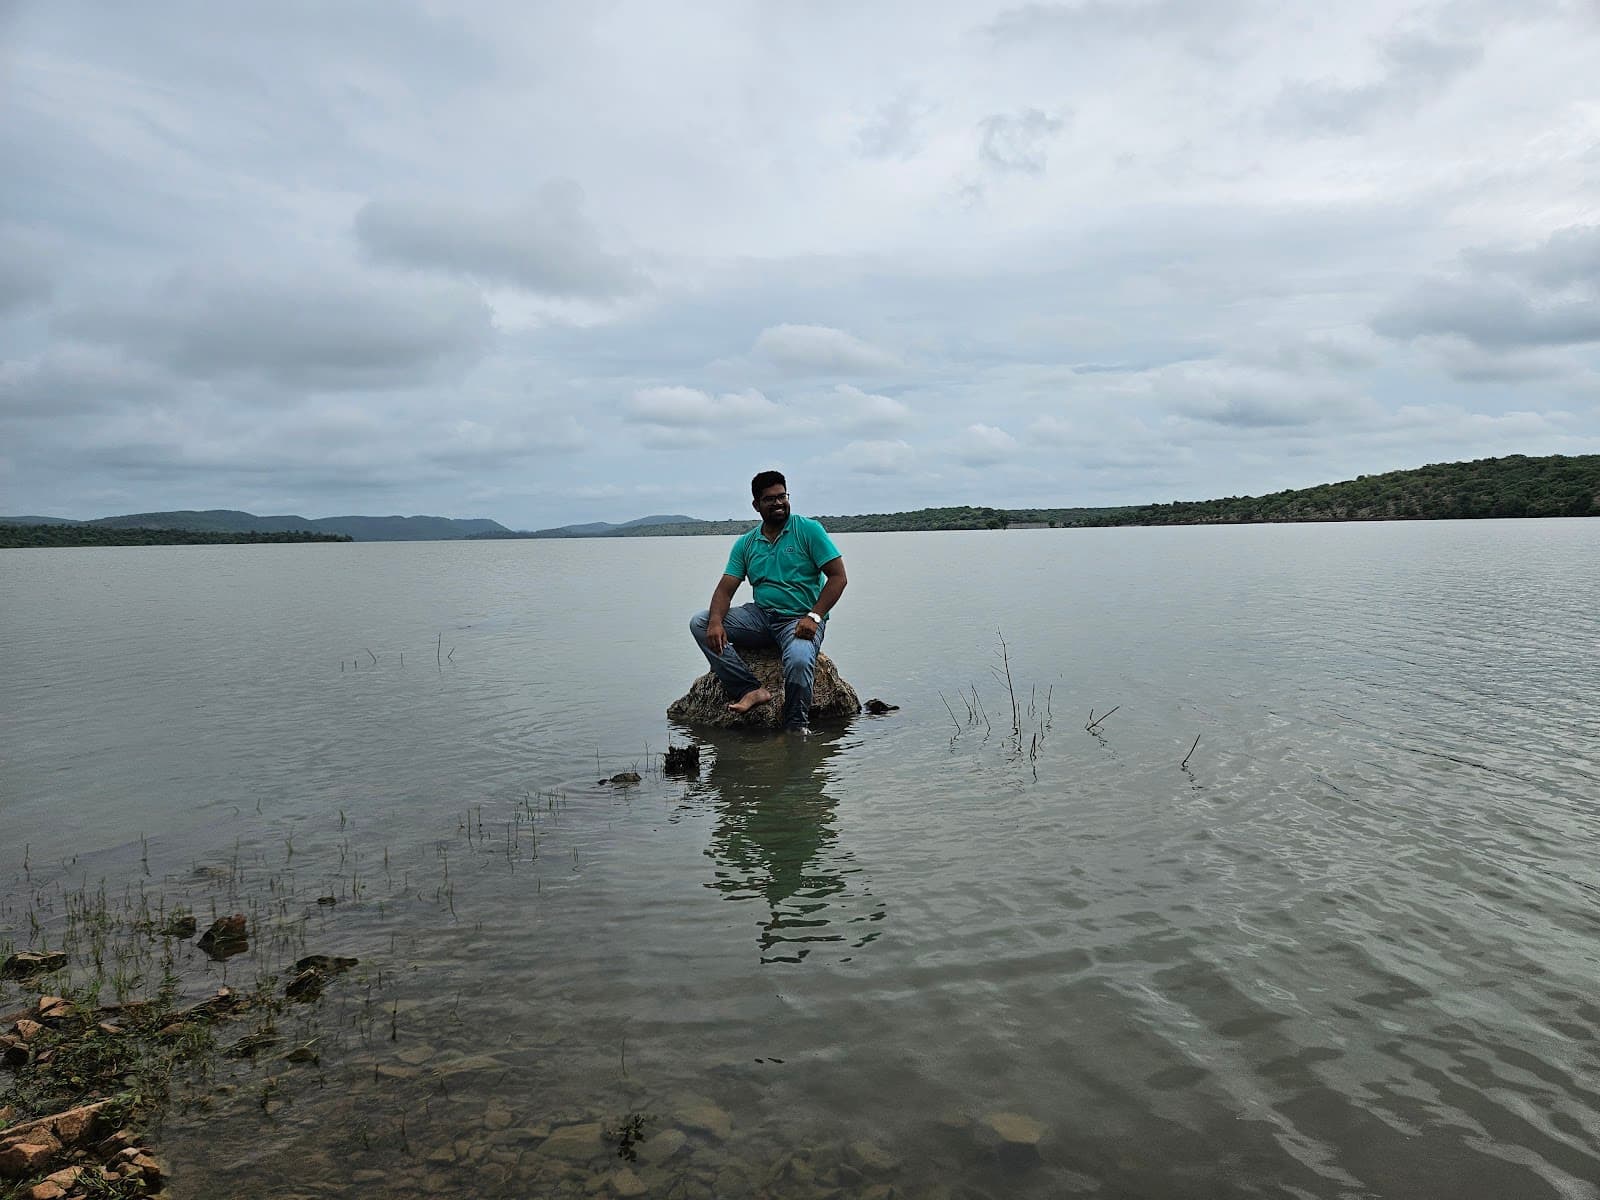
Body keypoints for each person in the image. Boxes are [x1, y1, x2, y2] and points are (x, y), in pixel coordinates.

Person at [690, 470, 848, 732]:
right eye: (769, 499)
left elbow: (838, 577)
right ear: (756, 505)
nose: (778, 503)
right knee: (700, 621)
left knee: (798, 659)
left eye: (782, 496)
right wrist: (716, 621)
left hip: (800, 619)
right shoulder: (747, 543)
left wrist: (815, 616)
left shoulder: (808, 530)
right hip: (761, 617)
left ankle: (796, 727)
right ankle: (750, 689)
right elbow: (725, 589)